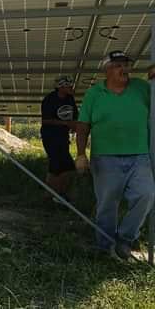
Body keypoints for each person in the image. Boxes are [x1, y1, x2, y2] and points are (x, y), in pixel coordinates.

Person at [76, 50, 155, 260]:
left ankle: (125, 240)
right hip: (105, 157)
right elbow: (83, 125)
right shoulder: (94, 93)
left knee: (146, 195)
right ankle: (104, 247)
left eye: (126, 65)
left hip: (139, 155)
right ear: (107, 69)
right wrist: (81, 154)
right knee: (107, 203)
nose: (125, 69)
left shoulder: (142, 88)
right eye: (118, 65)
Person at [40, 75, 78, 203]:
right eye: (68, 85)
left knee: (55, 166)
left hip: (63, 136)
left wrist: (74, 125)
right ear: (60, 87)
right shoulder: (49, 100)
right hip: (50, 136)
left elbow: (74, 116)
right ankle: (59, 194)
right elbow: (45, 120)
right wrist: (66, 124)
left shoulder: (70, 99)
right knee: (67, 167)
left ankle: (48, 196)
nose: (71, 88)